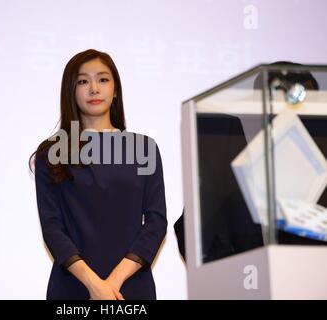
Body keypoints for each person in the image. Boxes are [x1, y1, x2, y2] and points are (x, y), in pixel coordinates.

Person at [32, 49, 167, 300]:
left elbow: (156, 222)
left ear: (115, 89)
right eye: (83, 81)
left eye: (103, 79)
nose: (94, 88)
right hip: (72, 287)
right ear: (71, 91)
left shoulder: (144, 148)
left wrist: (113, 283)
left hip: (131, 287)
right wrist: (93, 284)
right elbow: (52, 228)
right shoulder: (52, 152)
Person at [175, 62, 325, 263]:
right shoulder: (232, 158)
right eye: (276, 96)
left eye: (301, 98)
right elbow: (192, 228)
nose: (290, 108)